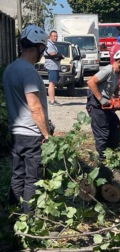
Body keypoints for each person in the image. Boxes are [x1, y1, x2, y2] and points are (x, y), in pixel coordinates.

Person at [3, 25, 51, 213]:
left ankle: (12, 214)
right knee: (33, 178)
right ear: (39, 47)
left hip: (15, 132)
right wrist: (46, 134)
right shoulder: (29, 72)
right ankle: (29, 220)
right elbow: (35, 107)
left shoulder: (10, 69)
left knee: (17, 175)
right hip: (31, 134)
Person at [86, 50, 120, 160]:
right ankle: (102, 159)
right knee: (103, 132)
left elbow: (115, 91)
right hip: (96, 104)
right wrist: (100, 99)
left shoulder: (117, 74)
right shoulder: (108, 70)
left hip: (106, 104)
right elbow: (91, 82)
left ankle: (111, 153)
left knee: (115, 125)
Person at [44, 30, 64, 105]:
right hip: (52, 66)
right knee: (51, 83)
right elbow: (52, 53)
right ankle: (51, 101)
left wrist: (58, 55)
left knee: (53, 83)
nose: (55, 37)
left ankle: (53, 99)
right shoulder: (49, 44)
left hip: (55, 66)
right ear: (50, 36)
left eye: (56, 36)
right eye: (54, 36)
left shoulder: (53, 44)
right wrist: (59, 55)